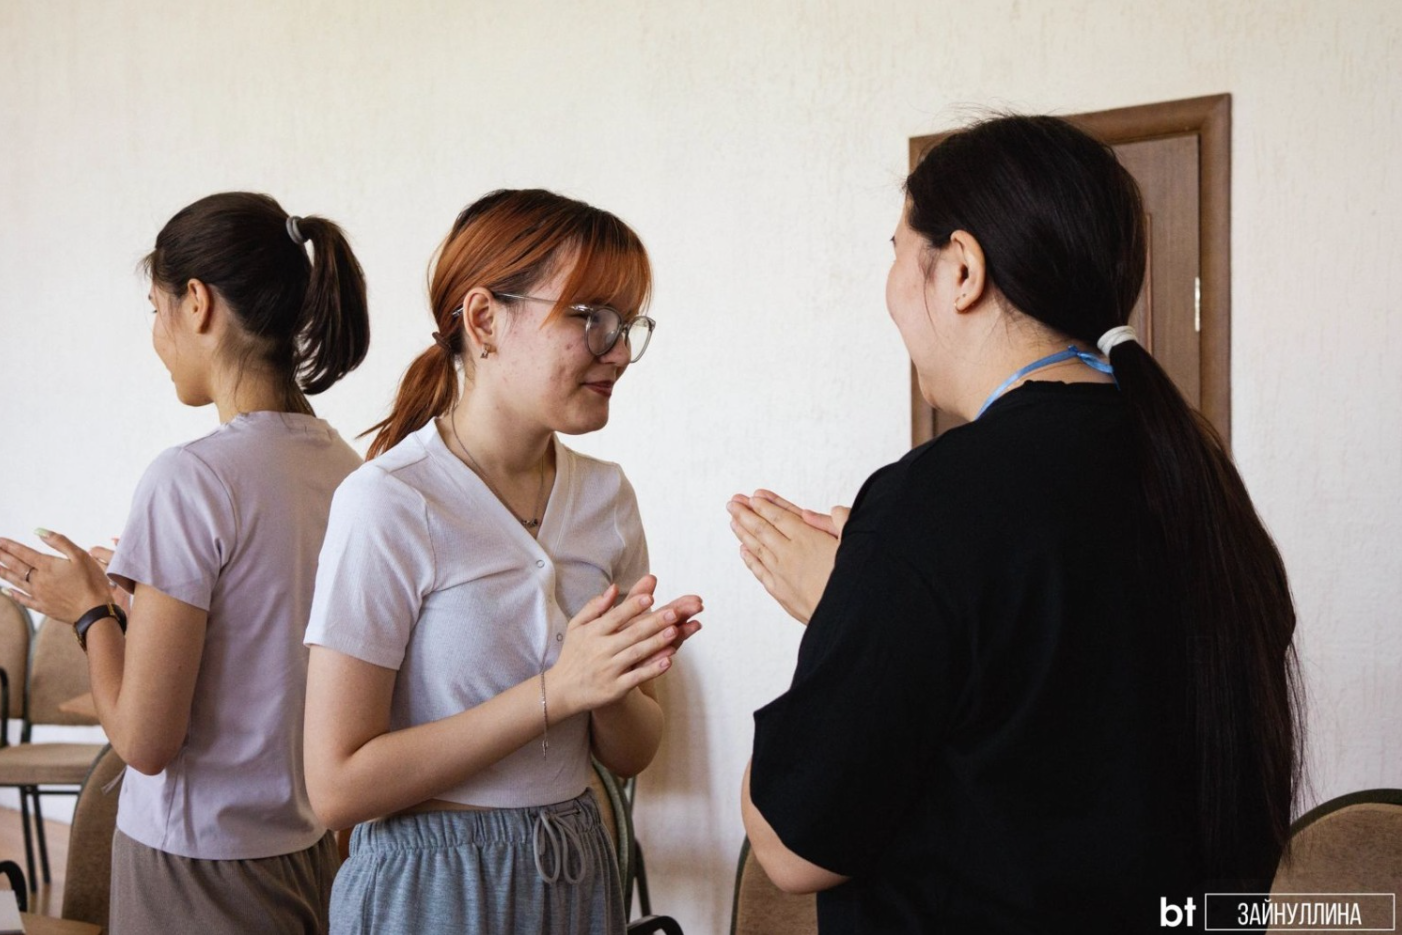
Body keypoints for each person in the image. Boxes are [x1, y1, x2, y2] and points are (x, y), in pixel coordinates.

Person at [729, 115, 1300, 933]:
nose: (890, 283)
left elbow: (792, 844)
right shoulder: (1202, 485)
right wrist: (882, 596)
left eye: (897, 250)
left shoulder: (933, 503)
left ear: (961, 269)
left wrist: (848, 606)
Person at [302, 189, 701, 935]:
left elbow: (633, 751)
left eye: (627, 325)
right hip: (428, 884)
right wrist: (557, 689)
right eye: (592, 318)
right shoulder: (390, 500)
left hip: (576, 862)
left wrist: (610, 678)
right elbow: (337, 785)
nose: (618, 351)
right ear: (485, 320)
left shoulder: (608, 496)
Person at [0, 192, 371, 933]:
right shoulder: (346, 469)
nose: (156, 334)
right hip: (307, 854)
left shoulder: (191, 479)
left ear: (197, 303)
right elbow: (270, 637)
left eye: (155, 308)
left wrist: (90, 613)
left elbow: (145, 741)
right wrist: (142, 601)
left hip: (195, 866)